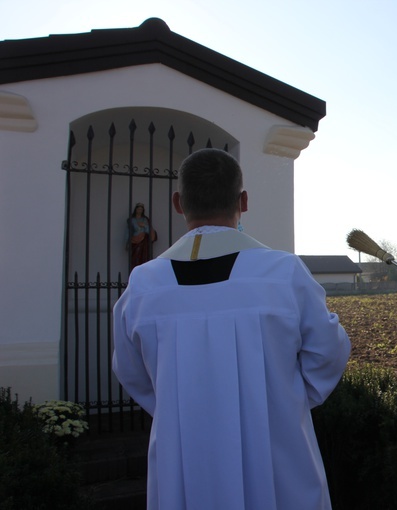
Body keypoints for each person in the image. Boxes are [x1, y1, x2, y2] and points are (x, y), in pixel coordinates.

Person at [112, 148, 351, 510]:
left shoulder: (144, 284)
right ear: (243, 200)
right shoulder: (282, 273)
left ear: (178, 203)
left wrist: (185, 404)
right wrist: (282, 399)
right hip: (274, 454)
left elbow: (132, 373)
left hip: (184, 456)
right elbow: (328, 353)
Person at [126, 202, 156, 270]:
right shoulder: (132, 220)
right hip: (135, 240)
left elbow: (148, 230)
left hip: (143, 240)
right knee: (135, 258)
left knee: (144, 257)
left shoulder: (144, 219)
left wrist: (144, 225)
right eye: (138, 209)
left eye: (141, 209)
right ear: (136, 210)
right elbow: (128, 232)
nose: (139, 211)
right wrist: (127, 242)